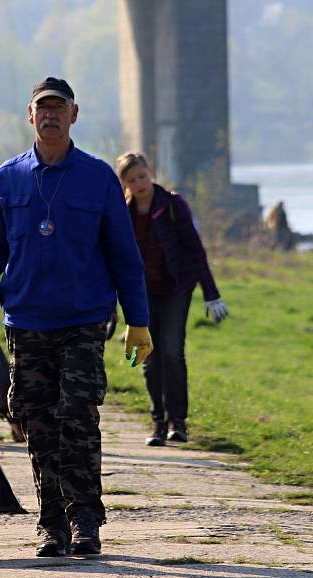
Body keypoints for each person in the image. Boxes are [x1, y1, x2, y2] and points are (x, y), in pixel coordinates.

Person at [0, 77, 152, 557]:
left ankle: (86, 521)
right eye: (41, 108)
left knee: (79, 416)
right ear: (30, 116)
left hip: (84, 320)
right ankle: (52, 525)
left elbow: (124, 255)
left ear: (73, 114)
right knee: (39, 421)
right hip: (27, 322)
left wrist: (139, 319)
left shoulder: (98, 177)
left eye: (58, 108)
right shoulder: (8, 179)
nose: (50, 115)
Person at [115, 152, 229, 446]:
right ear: (124, 184)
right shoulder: (123, 214)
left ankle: (178, 421)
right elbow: (116, 258)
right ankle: (157, 422)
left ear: (150, 172)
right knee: (148, 355)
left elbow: (195, 250)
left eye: (142, 176)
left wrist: (211, 294)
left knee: (172, 351)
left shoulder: (173, 205)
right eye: (131, 180)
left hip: (177, 288)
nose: (139, 183)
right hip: (143, 293)